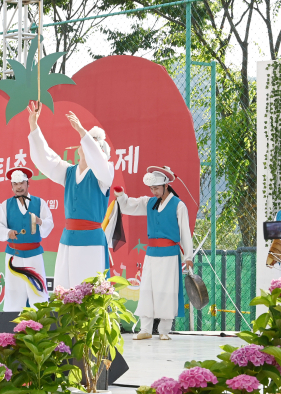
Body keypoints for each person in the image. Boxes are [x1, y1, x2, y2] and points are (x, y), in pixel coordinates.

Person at [27, 102, 114, 288]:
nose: (87, 147)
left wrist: (83, 132)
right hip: (68, 240)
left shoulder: (104, 176)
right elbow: (47, 159)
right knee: (66, 291)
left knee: (89, 293)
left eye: (93, 146)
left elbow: (99, 162)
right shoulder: (68, 172)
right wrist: (34, 126)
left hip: (91, 243)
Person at [113, 166, 194, 341]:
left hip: (170, 254)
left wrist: (188, 256)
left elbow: (185, 232)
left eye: (156, 188)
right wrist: (121, 196)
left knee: (167, 290)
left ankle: (165, 330)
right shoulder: (149, 203)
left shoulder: (178, 205)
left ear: (166, 186)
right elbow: (129, 206)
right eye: (151, 189)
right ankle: (146, 329)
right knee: (147, 290)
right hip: (151, 253)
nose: (153, 191)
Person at [0, 167, 54, 311]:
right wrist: (8, 233)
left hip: (34, 254)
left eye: (22, 183)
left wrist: (40, 222)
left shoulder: (40, 203)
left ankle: (42, 325)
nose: (19, 187)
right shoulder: (5, 205)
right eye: (15, 184)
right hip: (14, 255)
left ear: (28, 184)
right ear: (12, 186)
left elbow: (49, 224)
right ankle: (12, 327)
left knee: (38, 289)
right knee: (13, 291)